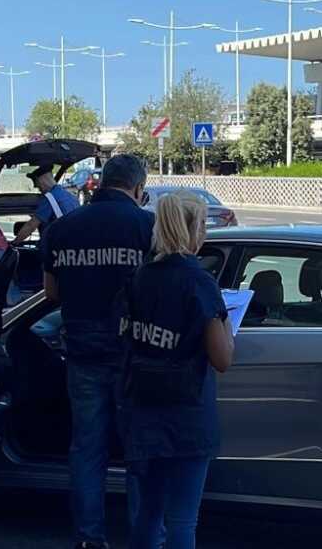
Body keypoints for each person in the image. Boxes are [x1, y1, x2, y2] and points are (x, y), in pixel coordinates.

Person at [41, 154, 156, 549]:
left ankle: (89, 538)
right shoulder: (147, 226)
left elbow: (51, 293)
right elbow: (162, 292)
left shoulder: (63, 228)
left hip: (82, 353)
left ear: (101, 182)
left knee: (88, 450)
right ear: (138, 188)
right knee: (139, 452)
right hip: (133, 354)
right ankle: (144, 539)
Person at [119, 191, 234, 549]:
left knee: (149, 512)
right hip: (186, 414)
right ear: (193, 230)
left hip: (143, 408)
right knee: (183, 519)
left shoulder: (140, 276)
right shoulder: (199, 283)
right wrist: (227, 321)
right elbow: (222, 358)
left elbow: (125, 338)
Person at [12, 164, 79, 244]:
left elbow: (31, 225)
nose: (38, 188)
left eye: (37, 185)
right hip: (73, 244)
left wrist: (15, 243)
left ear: (41, 180)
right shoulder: (71, 196)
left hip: (57, 245)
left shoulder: (49, 198)